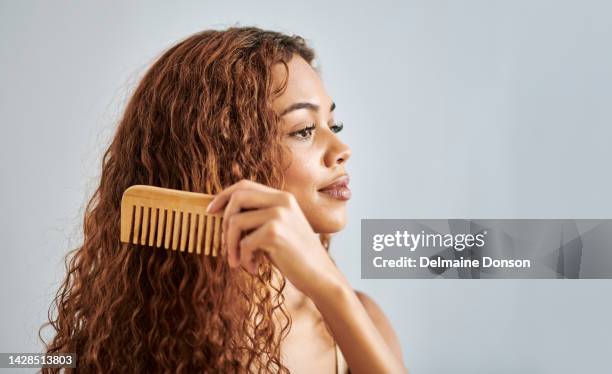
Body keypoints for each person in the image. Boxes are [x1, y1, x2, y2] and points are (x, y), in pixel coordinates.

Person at [40, 26, 407, 373]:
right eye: (304, 130)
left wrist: (330, 289)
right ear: (227, 163)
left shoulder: (362, 321)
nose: (342, 149)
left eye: (334, 125)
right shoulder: (144, 337)